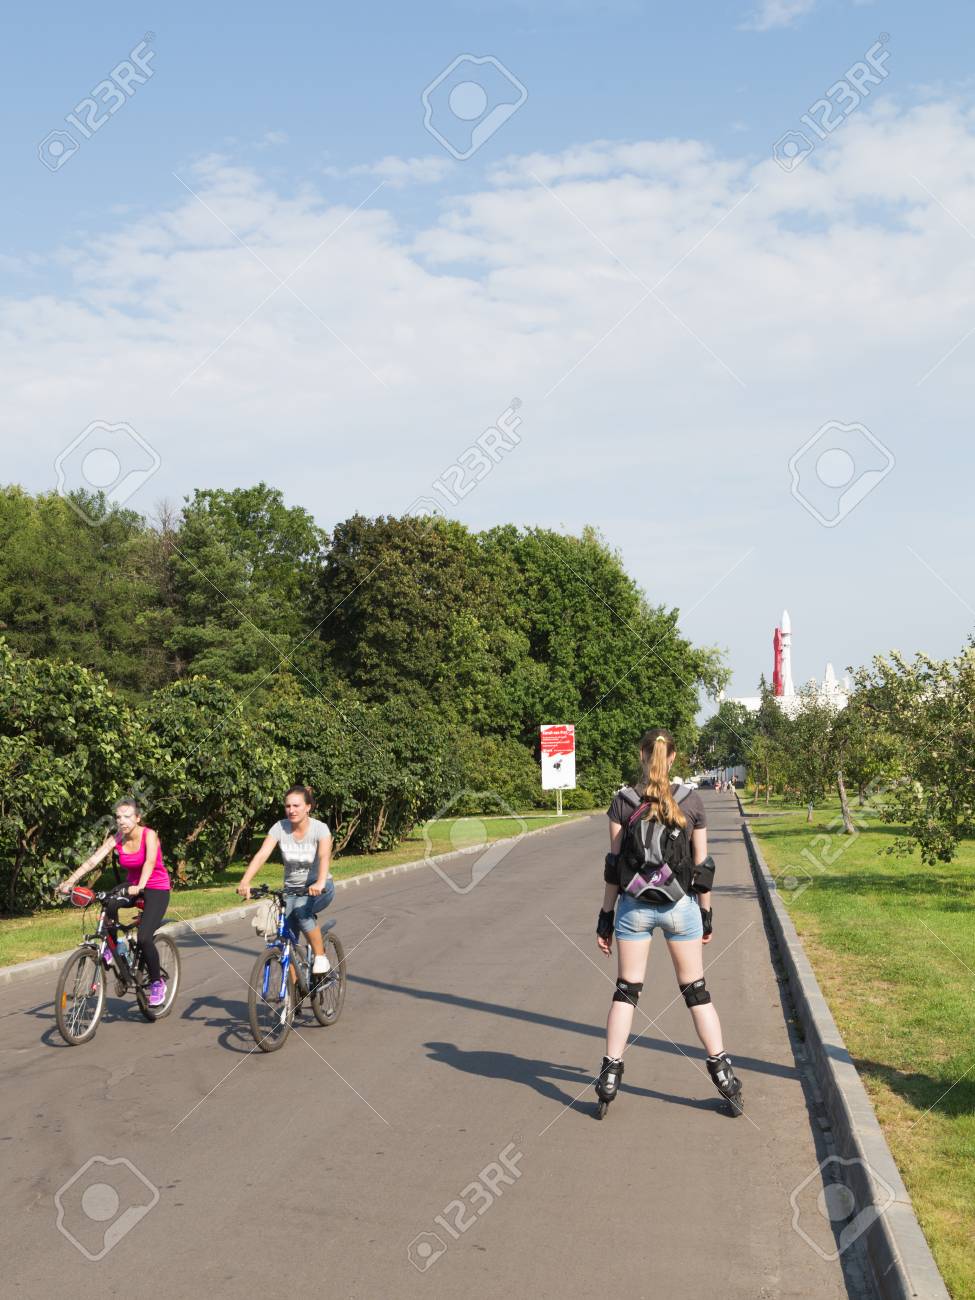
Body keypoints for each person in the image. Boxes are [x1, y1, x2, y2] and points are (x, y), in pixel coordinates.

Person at [594, 728, 743, 1115]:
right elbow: (702, 867)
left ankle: (610, 1074)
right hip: (680, 907)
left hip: (634, 907)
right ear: (673, 758)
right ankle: (723, 1074)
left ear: (642, 755)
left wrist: (605, 920)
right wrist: (706, 915)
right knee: (696, 992)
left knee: (626, 991)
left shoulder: (622, 802)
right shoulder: (691, 802)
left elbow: (613, 869)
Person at [59, 797, 172, 1007]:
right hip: (132, 886)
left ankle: (157, 983)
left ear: (138, 818)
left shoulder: (149, 835)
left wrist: (141, 885)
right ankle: (112, 947)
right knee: (108, 902)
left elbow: (149, 862)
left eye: (127, 816)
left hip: (155, 887)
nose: (122, 821)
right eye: (119, 817)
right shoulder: (118, 838)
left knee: (145, 938)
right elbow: (94, 860)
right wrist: (71, 881)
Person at [237, 785, 334, 987]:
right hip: (291, 889)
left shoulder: (319, 828)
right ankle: (295, 989)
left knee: (302, 912)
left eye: (296, 805)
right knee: (285, 939)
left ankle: (321, 957)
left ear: (308, 807)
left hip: (320, 887)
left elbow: (324, 855)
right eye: (288, 806)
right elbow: (262, 854)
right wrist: (245, 881)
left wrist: (320, 881)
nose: (292, 810)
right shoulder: (279, 828)